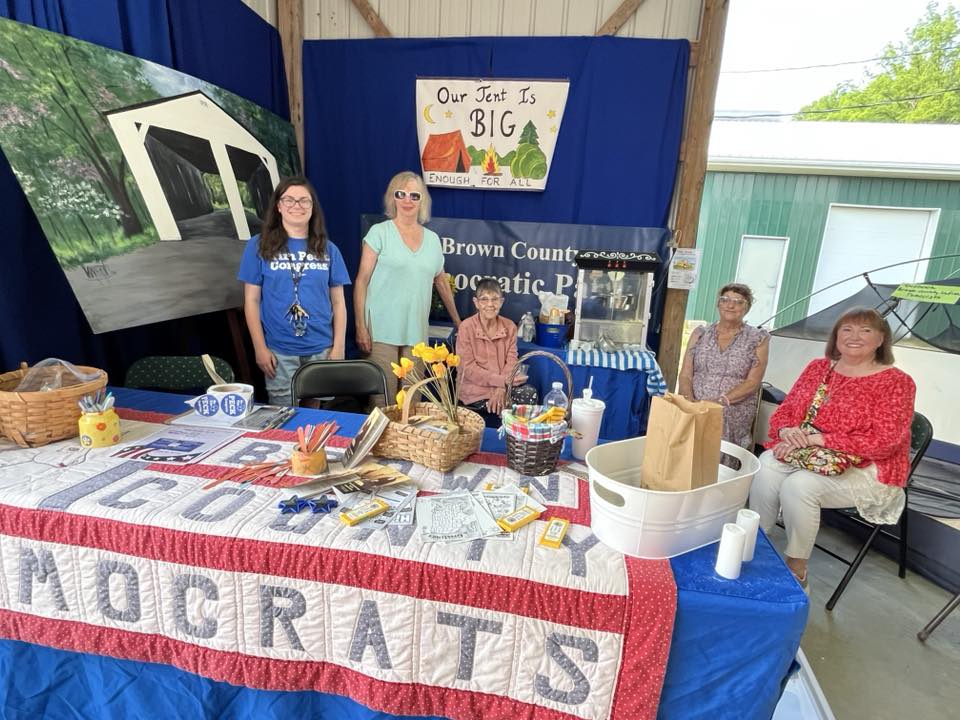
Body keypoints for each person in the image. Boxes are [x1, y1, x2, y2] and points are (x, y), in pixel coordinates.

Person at [749, 307, 916, 587]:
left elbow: (885, 442)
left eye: (866, 330)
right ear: (836, 336)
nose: (855, 336)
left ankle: (796, 567)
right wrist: (788, 431)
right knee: (765, 463)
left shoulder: (897, 382)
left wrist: (819, 439)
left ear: (881, 340)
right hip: (813, 455)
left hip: (870, 467)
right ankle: (755, 544)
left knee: (800, 486)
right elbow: (786, 411)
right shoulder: (819, 368)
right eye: (847, 329)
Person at [238, 176, 350, 406]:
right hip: (279, 350)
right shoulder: (258, 245)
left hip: (321, 349)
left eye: (303, 201)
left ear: (312, 207)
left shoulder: (328, 249)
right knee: (283, 418)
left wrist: (338, 346)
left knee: (314, 418)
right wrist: (259, 347)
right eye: (289, 200)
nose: (296, 206)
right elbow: (251, 300)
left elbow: (339, 303)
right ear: (278, 206)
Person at [354, 171, 460, 404]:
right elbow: (361, 280)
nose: (407, 200)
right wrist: (361, 326)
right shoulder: (379, 233)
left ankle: (407, 443)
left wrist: (459, 323)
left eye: (415, 195)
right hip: (380, 331)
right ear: (393, 197)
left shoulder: (432, 239)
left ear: (423, 200)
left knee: (412, 403)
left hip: (416, 333)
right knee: (382, 403)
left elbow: (441, 282)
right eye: (401, 194)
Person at [678, 283, 770, 451]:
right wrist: (689, 401)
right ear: (718, 304)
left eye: (739, 301)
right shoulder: (700, 333)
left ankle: (720, 473)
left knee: (721, 419)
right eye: (725, 299)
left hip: (732, 406)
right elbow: (685, 374)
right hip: (695, 402)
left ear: (747, 307)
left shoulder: (757, 338)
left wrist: (718, 402)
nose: (730, 305)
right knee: (681, 418)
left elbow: (753, 382)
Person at [456, 279, 536, 426]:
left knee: (529, 393)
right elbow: (467, 368)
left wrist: (501, 388)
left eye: (495, 299)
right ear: (476, 302)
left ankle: (517, 442)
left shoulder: (509, 326)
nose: (490, 304)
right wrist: (502, 382)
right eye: (484, 299)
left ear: (502, 301)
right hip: (476, 390)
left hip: (503, 386)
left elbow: (512, 360)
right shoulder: (466, 327)